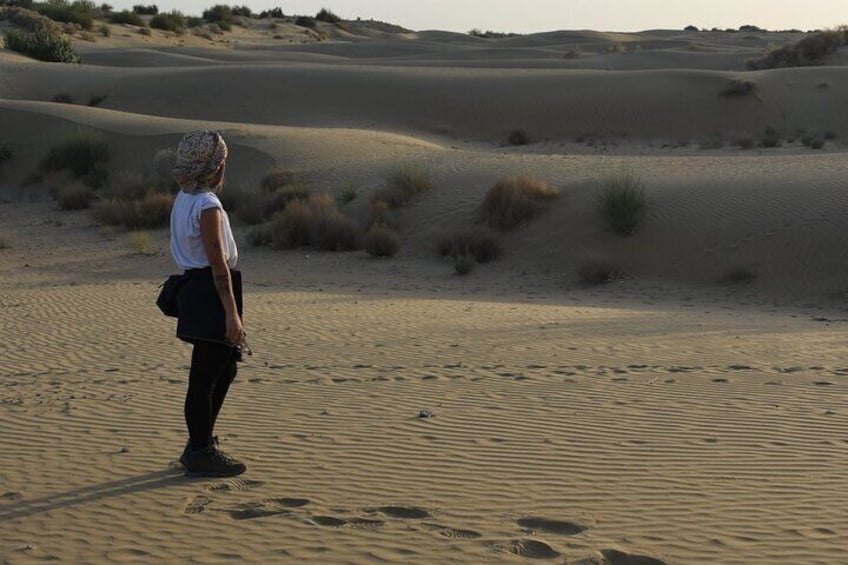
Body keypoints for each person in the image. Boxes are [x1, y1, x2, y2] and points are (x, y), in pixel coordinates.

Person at [169, 130, 247, 477]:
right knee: (205, 375)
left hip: (198, 288)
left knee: (224, 367)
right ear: (215, 166)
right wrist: (231, 313)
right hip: (210, 291)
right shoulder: (206, 205)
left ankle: (200, 443)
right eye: (223, 162)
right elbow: (217, 263)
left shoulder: (185, 198)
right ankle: (200, 450)